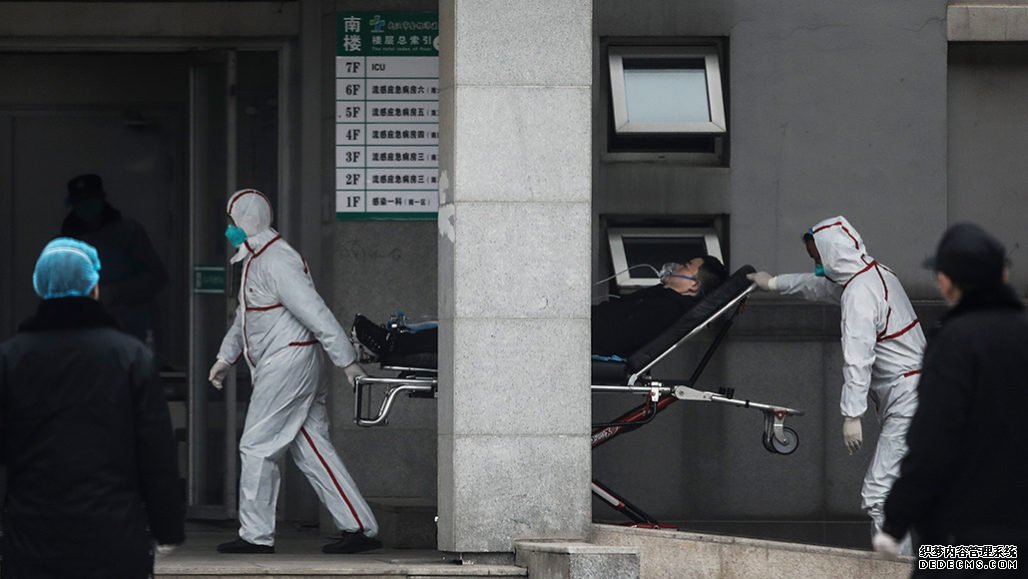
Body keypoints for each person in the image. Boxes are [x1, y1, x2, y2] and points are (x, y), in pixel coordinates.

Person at [208, 188, 380, 555]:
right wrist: (226, 358)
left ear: (244, 222)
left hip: (288, 364)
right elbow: (245, 317)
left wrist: (346, 361)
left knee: (256, 445)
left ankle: (255, 536)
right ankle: (359, 526)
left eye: (230, 222)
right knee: (311, 447)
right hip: (291, 363)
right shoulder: (257, 259)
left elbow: (314, 311)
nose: (228, 230)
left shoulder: (276, 261)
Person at [0, 238, 184, 578]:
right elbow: (156, 454)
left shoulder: (11, 359)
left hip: (31, 538)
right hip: (114, 537)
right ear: (94, 287)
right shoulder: (130, 357)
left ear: (41, 287)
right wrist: (167, 527)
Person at [748, 215, 924, 554]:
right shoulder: (873, 274)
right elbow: (820, 287)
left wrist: (851, 414)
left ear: (831, 254)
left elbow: (858, 357)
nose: (816, 265)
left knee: (880, 494)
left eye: (817, 258)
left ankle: (901, 572)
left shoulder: (859, 295)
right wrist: (774, 284)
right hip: (920, 394)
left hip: (909, 400)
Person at [873, 223, 1027, 573]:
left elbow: (932, 439)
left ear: (946, 280)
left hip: (960, 538)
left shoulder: (955, 341)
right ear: (1002, 275)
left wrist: (895, 520)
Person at [61, 173, 168, 344]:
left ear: (101, 200)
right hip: (84, 329)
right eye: (80, 203)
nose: (86, 207)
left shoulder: (128, 232)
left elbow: (156, 278)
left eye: (90, 201)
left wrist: (114, 293)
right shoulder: (66, 242)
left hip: (129, 328)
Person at [592, 255, 729, 357]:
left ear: (694, 285)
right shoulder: (662, 296)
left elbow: (615, 337)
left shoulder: (667, 309)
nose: (677, 267)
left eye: (685, 266)